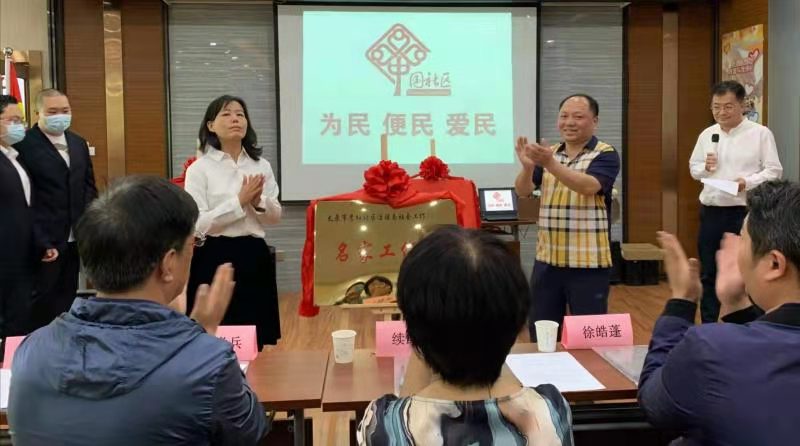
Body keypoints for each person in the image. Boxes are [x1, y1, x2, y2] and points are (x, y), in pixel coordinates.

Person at [8, 176, 270, 445]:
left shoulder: (31, 351)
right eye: (194, 244)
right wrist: (203, 334)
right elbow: (249, 431)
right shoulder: (206, 362)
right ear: (168, 264)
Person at [358, 226, 573, 445]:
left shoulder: (382, 425)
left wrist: (421, 329)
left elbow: (405, 419)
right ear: (518, 325)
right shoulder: (551, 410)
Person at [639, 180, 800, 445]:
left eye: (743, 238)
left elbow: (655, 404)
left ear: (774, 264)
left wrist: (681, 301)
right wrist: (736, 304)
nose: (735, 249)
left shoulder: (711, 351)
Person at [514, 94, 620, 340]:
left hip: (588, 262)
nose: (569, 122)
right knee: (542, 332)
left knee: (589, 335)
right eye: (564, 116)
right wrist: (528, 168)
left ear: (595, 121)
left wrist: (550, 164)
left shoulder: (605, 153)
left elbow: (589, 186)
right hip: (548, 259)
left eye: (578, 116)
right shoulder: (549, 153)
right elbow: (523, 191)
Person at [185, 95, 282, 347]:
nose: (235, 119)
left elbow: (275, 217)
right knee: (213, 336)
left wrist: (258, 202)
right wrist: (239, 202)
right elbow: (198, 224)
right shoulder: (199, 169)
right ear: (211, 125)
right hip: (213, 256)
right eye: (226, 114)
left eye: (240, 114)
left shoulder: (261, 166)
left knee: (255, 337)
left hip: (253, 254)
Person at [689, 80, 782, 323]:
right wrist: (704, 168)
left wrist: (746, 182)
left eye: (728, 106)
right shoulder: (707, 134)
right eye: (716, 107)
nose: (721, 112)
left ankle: (751, 327)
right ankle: (709, 325)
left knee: (749, 272)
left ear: (742, 105)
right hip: (712, 212)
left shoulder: (760, 134)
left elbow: (774, 171)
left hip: (746, 213)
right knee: (709, 272)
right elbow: (694, 168)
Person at [15, 89, 98, 330]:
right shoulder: (23, 145)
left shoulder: (78, 143)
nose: (59, 116)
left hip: (75, 237)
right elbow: (23, 200)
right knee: (40, 303)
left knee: (67, 297)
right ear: (37, 113)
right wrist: (39, 239)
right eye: (52, 112)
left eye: (65, 110)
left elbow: (88, 187)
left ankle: (63, 340)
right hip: (42, 240)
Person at [0, 95, 34, 339]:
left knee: (17, 316)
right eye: (11, 120)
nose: (18, 125)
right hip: (4, 252)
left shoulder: (14, 156)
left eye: (20, 120)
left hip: (19, 252)